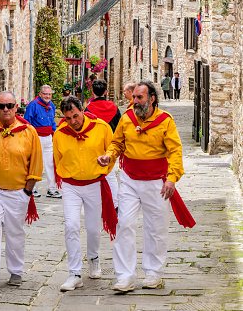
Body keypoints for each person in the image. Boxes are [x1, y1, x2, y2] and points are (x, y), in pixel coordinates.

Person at [97, 81, 195, 292]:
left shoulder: (165, 121)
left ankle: (153, 273)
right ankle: (125, 276)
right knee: (124, 224)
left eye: (139, 97)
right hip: (130, 180)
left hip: (157, 182)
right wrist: (109, 156)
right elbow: (117, 143)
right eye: (134, 97)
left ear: (151, 99)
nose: (135, 101)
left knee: (156, 228)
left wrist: (172, 178)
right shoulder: (126, 118)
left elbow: (175, 152)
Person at [0, 91, 43, 291]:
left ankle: (16, 271)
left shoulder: (29, 132)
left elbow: (36, 164)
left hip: (18, 191)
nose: (6, 109)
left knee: (15, 231)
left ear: (15, 108)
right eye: (1, 106)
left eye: (9, 105)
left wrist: (26, 192)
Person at [53, 95, 117, 292]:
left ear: (82, 111)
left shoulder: (102, 128)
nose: (73, 122)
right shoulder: (60, 133)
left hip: (94, 184)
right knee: (71, 225)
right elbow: (57, 159)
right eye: (68, 118)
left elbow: (113, 150)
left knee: (92, 228)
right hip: (71, 185)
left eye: (75, 116)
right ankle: (74, 273)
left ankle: (94, 259)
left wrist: (107, 163)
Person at [85, 79, 121, 209]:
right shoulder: (114, 108)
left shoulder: (88, 109)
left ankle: (98, 205)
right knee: (110, 176)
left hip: (93, 145)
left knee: (95, 176)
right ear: (105, 92)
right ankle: (115, 204)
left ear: (93, 92)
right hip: (110, 146)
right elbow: (119, 128)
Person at [24, 85, 61, 198]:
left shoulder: (52, 105)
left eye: (49, 94)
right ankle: (33, 189)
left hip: (49, 138)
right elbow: (27, 122)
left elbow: (53, 121)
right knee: (36, 164)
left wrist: (54, 134)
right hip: (37, 138)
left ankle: (52, 189)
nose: (47, 96)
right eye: (45, 94)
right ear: (40, 94)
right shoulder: (33, 105)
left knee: (50, 163)